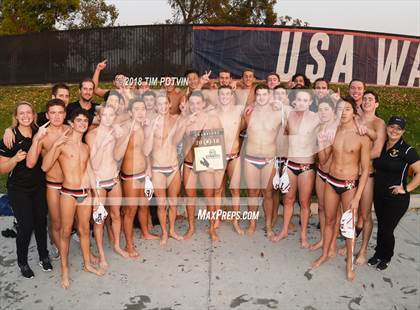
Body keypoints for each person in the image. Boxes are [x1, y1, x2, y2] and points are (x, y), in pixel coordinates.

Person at [42, 109, 104, 289]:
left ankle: (87, 264)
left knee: (84, 230)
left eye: (86, 120)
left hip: (85, 193)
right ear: (71, 123)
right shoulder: (63, 145)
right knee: (66, 231)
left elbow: (90, 172)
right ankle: (65, 271)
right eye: (79, 120)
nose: (83, 123)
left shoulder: (86, 147)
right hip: (68, 192)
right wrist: (55, 146)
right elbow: (45, 167)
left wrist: (97, 197)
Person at [312, 97, 371, 281]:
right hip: (331, 181)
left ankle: (349, 264)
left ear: (353, 112)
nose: (343, 112)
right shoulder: (333, 131)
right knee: (329, 221)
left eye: (347, 109)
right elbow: (323, 160)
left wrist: (357, 197)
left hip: (349, 186)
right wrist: (322, 143)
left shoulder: (362, 137)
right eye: (340, 109)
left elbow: (365, 170)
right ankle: (325, 254)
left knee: (348, 227)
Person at [0, 102, 51, 279]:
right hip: (19, 189)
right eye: (21, 113)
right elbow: (2, 168)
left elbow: (57, 114)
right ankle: (22, 261)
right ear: (16, 116)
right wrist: (14, 159)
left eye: (28, 112)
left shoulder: (39, 128)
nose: (25, 115)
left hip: (38, 186)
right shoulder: (10, 136)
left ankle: (43, 255)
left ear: (33, 115)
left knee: (40, 222)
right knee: (26, 225)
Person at [368, 116, 420, 270]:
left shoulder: (407, 150)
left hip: (396, 199)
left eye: (398, 128)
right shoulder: (381, 145)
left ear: (403, 131)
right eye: (392, 127)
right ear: (387, 128)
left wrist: (406, 189)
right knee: (382, 226)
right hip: (379, 195)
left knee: (387, 229)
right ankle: (378, 253)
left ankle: (386, 257)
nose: (394, 131)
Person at [86, 105, 130, 268]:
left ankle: (117, 245)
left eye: (112, 115)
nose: (109, 118)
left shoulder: (116, 132)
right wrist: (105, 141)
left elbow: (118, 156)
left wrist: (119, 139)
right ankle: (102, 254)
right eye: (105, 115)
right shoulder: (92, 135)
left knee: (116, 215)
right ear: (99, 116)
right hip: (98, 182)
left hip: (113, 179)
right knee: (99, 220)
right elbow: (93, 162)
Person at [274, 89, 319, 248]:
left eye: (305, 100)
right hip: (290, 165)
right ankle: (284, 230)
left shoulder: (316, 118)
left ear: (310, 103)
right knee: (288, 200)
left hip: (306, 167)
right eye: (299, 99)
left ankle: (303, 235)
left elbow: (335, 121)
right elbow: (276, 105)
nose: (301, 103)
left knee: (304, 202)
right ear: (294, 101)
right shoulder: (289, 114)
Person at [26, 99, 70, 259]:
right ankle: (61, 250)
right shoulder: (42, 134)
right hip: (53, 184)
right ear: (47, 115)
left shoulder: (71, 130)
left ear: (65, 114)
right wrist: (36, 139)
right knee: (56, 222)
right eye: (53, 113)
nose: (57, 116)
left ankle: (64, 245)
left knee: (73, 222)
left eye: (60, 112)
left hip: (72, 185)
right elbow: (30, 163)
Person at [243, 84, 283, 238]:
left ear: (270, 95)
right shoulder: (248, 112)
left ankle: (268, 226)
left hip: (269, 159)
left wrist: (279, 103)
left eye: (264, 94)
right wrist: (250, 104)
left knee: (268, 193)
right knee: (252, 192)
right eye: (258, 95)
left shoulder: (278, 113)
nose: (261, 97)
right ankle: (252, 224)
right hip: (251, 158)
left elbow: (297, 112)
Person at [144, 94, 184, 245]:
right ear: (156, 106)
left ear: (169, 104)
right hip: (158, 168)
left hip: (173, 166)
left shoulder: (176, 120)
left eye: (164, 104)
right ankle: (164, 232)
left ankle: (172, 229)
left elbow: (180, 139)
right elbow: (146, 150)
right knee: (161, 204)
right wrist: (148, 166)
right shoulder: (150, 123)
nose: (162, 107)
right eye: (159, 104)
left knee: (173, 202)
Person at [352, 91, 386, 265]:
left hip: (368, 174)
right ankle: (350, 244)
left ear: (376, 104)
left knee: (365, 215)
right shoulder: (354, 118)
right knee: (349, 211)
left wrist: (357, 161)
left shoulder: (379, 123)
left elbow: (377, 151)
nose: (366, 101)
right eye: (364, 99)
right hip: (350, 173)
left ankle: (363, 249)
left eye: (370, 99)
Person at [120, 98, 157, 257]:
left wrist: (148, 167)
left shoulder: (142, 127)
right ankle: (129, 245)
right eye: (137, 109)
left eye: (143, 109)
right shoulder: (125, 129)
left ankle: (145, 232)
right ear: (130, 113)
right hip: (131, 176)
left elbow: (145, 152)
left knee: (144, 206)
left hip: (143, 174)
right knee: (130, 210)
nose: (141, 112)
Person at [213, 86, 246, 234]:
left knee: (235, 190)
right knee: (218, 190)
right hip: (218, 156)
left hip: (234, 156)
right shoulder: (212, 112)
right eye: (222, 94)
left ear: (232, 95)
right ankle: (217, 218)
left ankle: (235, 221)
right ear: (218, 96)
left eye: (228, 94)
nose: (225, 96)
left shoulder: (239, 110)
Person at [309, 98, 339, 251]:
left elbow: (324, 157)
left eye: (326, 109)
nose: (323, 112)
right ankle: (323, 239)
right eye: (320, 110)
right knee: (321, 207)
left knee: (333, 212)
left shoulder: (338, 128)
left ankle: (332, 243)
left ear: (333, 111)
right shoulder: (318, 128)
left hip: (334, 176)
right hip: (321, 172)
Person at [2, 83, 71, 147]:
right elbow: (25, 121)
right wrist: (9, 130)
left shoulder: (72, 113)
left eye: (66, 96)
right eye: (61, 96)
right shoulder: (41, 116)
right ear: (53, 97)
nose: (64, 99)